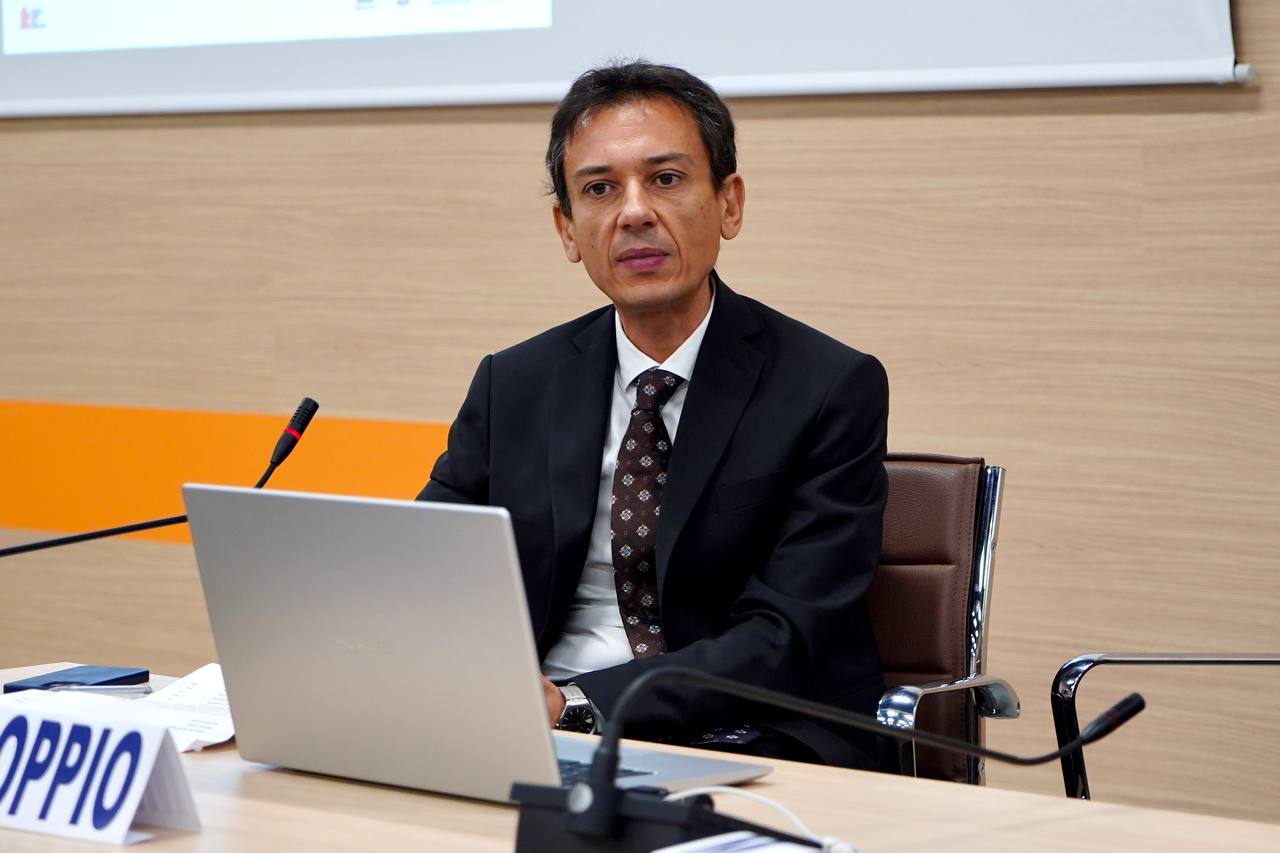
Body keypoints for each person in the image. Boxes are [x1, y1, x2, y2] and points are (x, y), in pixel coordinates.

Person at [418, 61, 889, 769]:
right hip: (532, 730)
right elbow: (427, 569)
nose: (634, 213)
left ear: (729, 204)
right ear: (567, 229)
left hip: (751, 735)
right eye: (599, 189)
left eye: (665, 179)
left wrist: (578, 703)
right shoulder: (512, 383)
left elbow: (786, 635)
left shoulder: (828, 386)